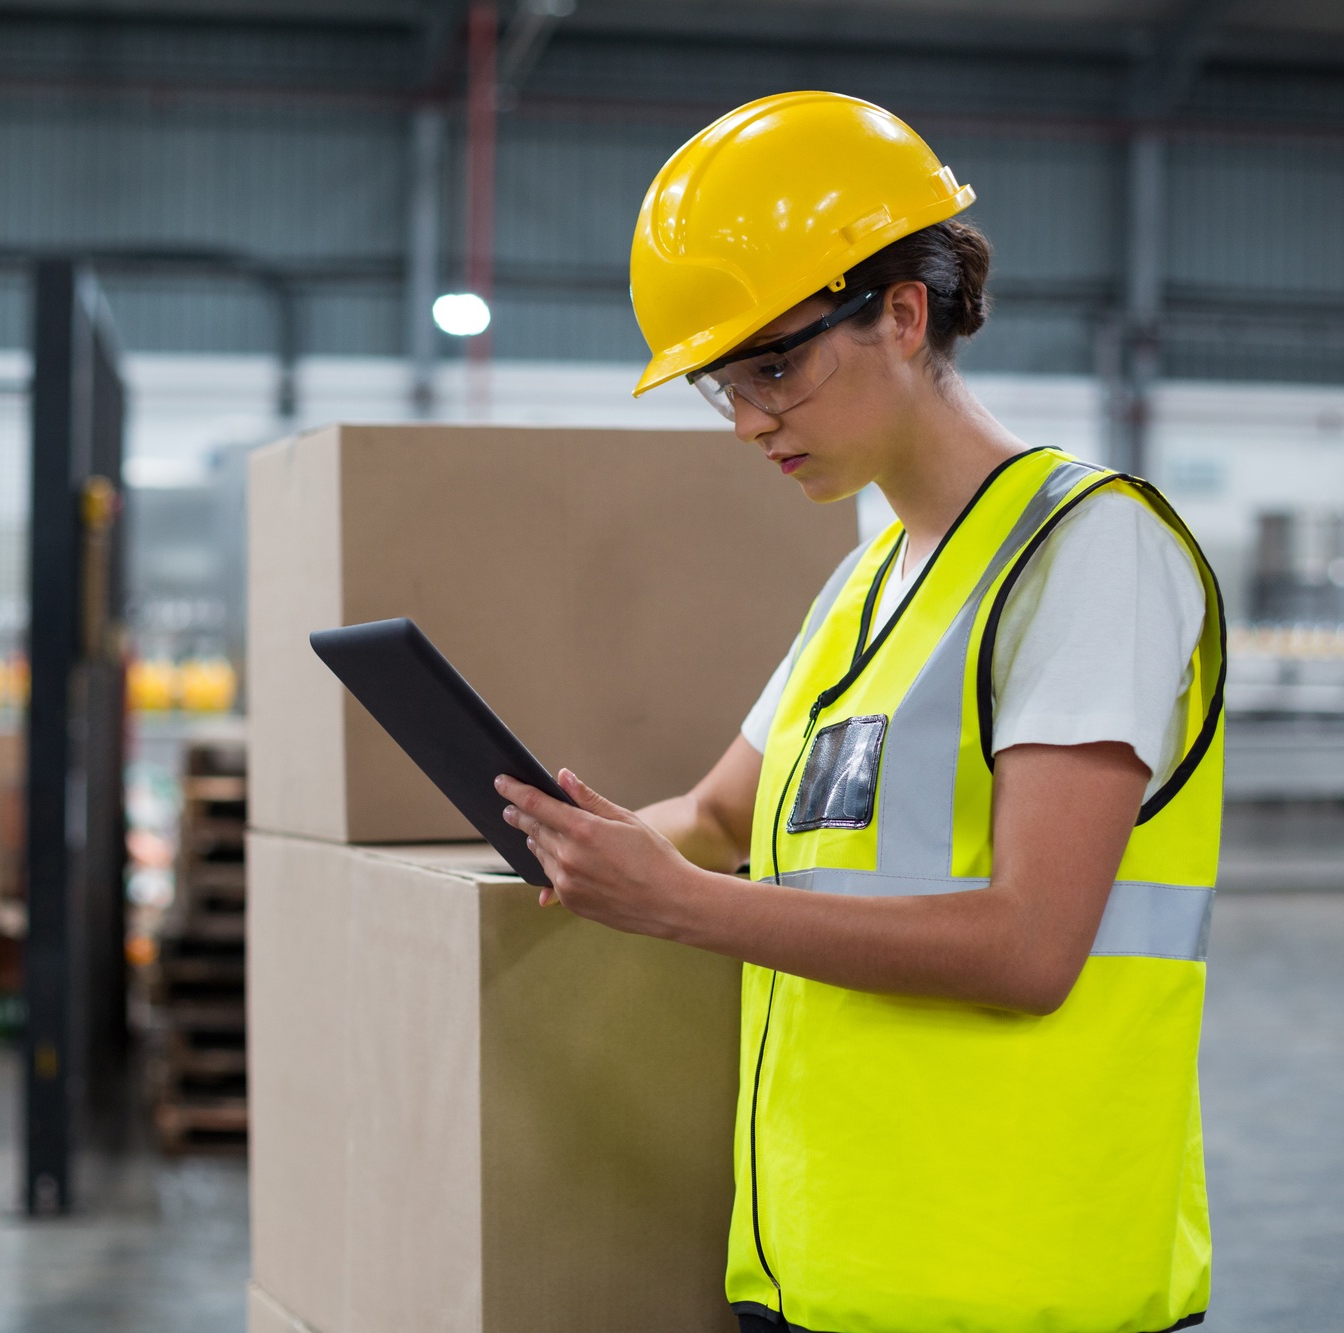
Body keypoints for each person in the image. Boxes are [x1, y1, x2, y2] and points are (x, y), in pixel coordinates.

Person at [496, 92, 1224, 1333]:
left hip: (1013, 1287)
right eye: (721, 384)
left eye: (774, 364)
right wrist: (576, 847)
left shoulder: (1087, 554)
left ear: (901, 311)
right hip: (819, 1274)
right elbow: (719, 813)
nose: (748, 419)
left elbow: (1030, 945)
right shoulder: (864, 583)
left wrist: (674, 906)